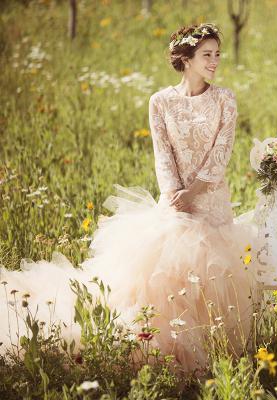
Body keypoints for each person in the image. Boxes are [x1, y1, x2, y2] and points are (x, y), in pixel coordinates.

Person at [0, 23, 257, 373]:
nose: (215, 61)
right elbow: (162, 155)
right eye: (207, 55)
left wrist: (194, 191)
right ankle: (170, 352)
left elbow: (222, 151)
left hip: (212, 203)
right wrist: (174, 196)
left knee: (213, 277)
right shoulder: (160, 101)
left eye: (217, 54)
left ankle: (216, 355)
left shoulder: (225, 98)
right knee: (167, 278)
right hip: (174, 204)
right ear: (186, 59)